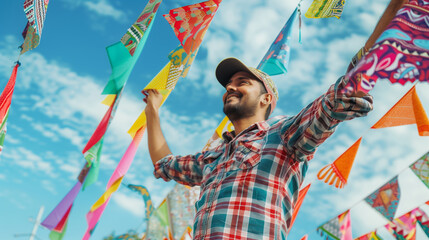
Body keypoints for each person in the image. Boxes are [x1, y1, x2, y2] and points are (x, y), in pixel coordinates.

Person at [143, 0, 408, 239]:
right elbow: (165, 164)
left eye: (242, 82)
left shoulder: (284, 134)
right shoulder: (213, 159)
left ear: (266, 99)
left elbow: (342, 95)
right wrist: (152, 110)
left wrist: (395, 10)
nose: (230, 88)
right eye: (228, 85)